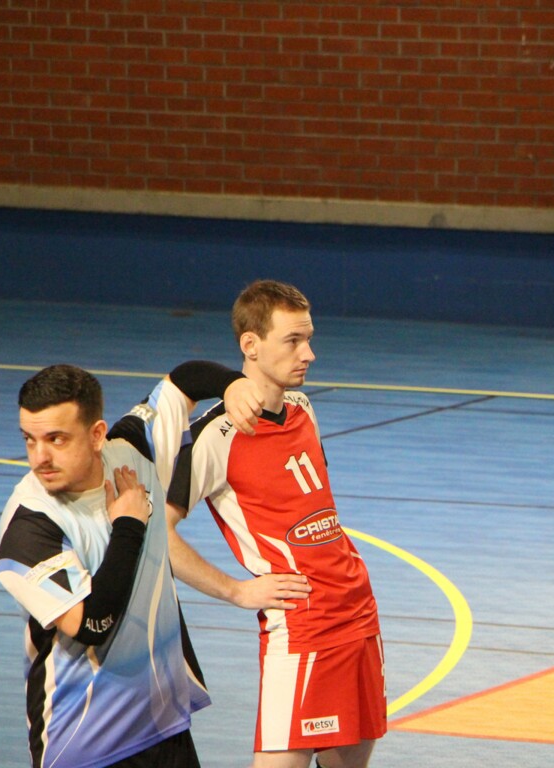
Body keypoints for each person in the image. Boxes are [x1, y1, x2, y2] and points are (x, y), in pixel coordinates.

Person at [0, 360, 293, 768]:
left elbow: (183, 382)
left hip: (162, 724)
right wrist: (130, 525)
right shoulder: (30, 524)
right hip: (85, 743)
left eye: (56, 439)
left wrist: (233, 385)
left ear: (97, 435)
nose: (40, 456)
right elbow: (91, 624)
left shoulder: (134, 450)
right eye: (30, 440)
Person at [166, 280, 387, 768]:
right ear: (251, 344)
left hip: (358, 615)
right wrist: (235, 591)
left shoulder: (303, 407)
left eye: (309, 339)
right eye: (293, 341)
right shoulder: (213, 437)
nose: (308, 354)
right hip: (301, 628)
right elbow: (155, 533)